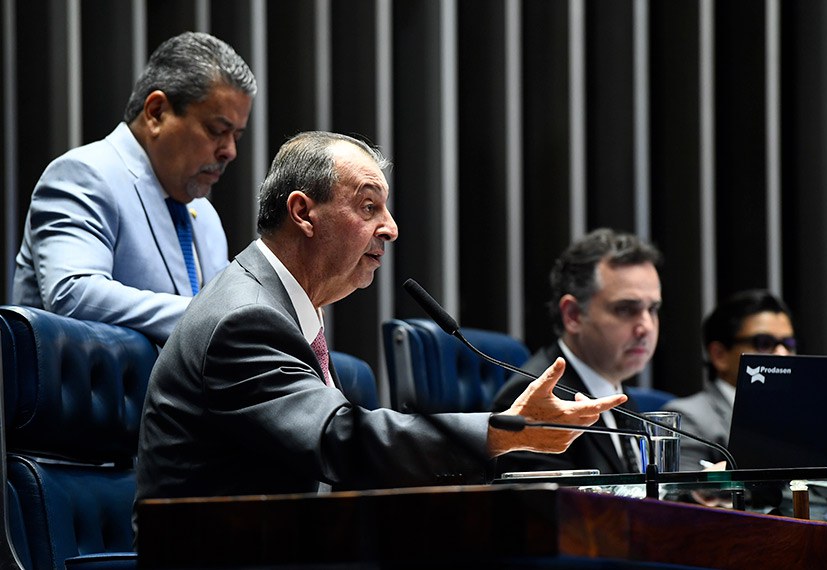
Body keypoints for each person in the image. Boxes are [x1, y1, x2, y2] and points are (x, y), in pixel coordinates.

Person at [134, 132, 628, 501]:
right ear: (303, 213)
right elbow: (339, 439)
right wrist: (501, 431)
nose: (390, 228)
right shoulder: (245, 320)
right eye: (369, 207)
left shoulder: (275, 308)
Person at [12, 31, 256, 344]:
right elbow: (72, 292)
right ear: (156, 112)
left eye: (236, 136)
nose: (229, 152)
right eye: (216, 130)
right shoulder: (85, 174)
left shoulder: (204, 215)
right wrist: (211, 318)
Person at [492, 229, 663, 476]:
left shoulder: (617, 392)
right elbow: (550, 509)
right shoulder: (537, 399)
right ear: (573, 315)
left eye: (653, 309)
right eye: (626, 309)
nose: (646, 326)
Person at [662, 289, 796, 472]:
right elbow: (680, 496)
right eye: (764, 343)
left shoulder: (801, 414)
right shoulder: (689, 417)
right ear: (720, 355)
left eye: (788, 345)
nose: (783, 354)